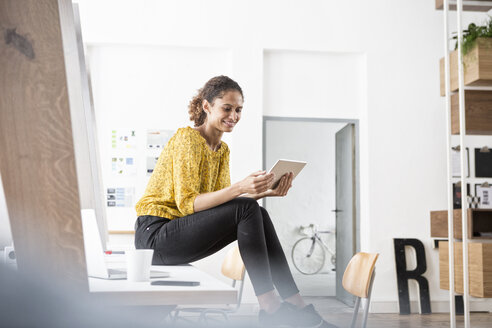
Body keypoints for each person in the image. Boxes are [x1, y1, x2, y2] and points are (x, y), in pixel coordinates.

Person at [134, 76, 335, 328]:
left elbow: (219, 206)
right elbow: (188, 204)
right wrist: (240, 188)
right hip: (155, 236)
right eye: (226, 108)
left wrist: (261, 192)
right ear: (207, 107)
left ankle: (295, 304)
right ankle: (271, 307)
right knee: (247, 208)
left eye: (238, 109)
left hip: (177, 233)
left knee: (257, 211)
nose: (234, 115)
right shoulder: (188, 139)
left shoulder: (222, 150)